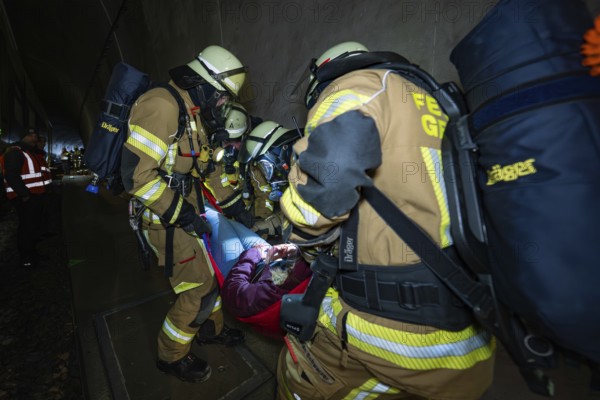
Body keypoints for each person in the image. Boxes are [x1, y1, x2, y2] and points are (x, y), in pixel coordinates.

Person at [276, 42, 496, 400]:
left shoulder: (354, 88)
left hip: (386, 326)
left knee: (299, 378)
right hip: (466, 327)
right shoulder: (429, 97)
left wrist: (297, 235)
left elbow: (320, 195)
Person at [120, 45, 248, 383]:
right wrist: (182, 213)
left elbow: (202, 168)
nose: (221, 104)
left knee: (212, 277)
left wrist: (235, 205)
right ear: (204, 82)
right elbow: (135, 176)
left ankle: (210, 329)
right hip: (164, 219)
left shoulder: (191, 113)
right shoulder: (161, 105)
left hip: (187, 214)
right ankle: (170, 355)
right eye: (221, 96)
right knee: (197, 288)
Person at [238, 121, 300, 240]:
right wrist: (268, 225)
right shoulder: (296, 172)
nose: (267, 176)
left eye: (266, 166)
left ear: (281, 150)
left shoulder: (310, 167)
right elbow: (299, 213)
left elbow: (313, 218)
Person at [0, 130, 52, 267]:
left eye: (36, 135)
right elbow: (11, 176)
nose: (35, 137)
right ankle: (27, 259)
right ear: (23, 137)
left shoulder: (28, 152)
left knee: (31, 228)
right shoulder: (15, 152)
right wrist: (25, 195)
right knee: (27, 228)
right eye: (31, 135)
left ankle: (32, 254)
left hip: (33, 196)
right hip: (26, 197)